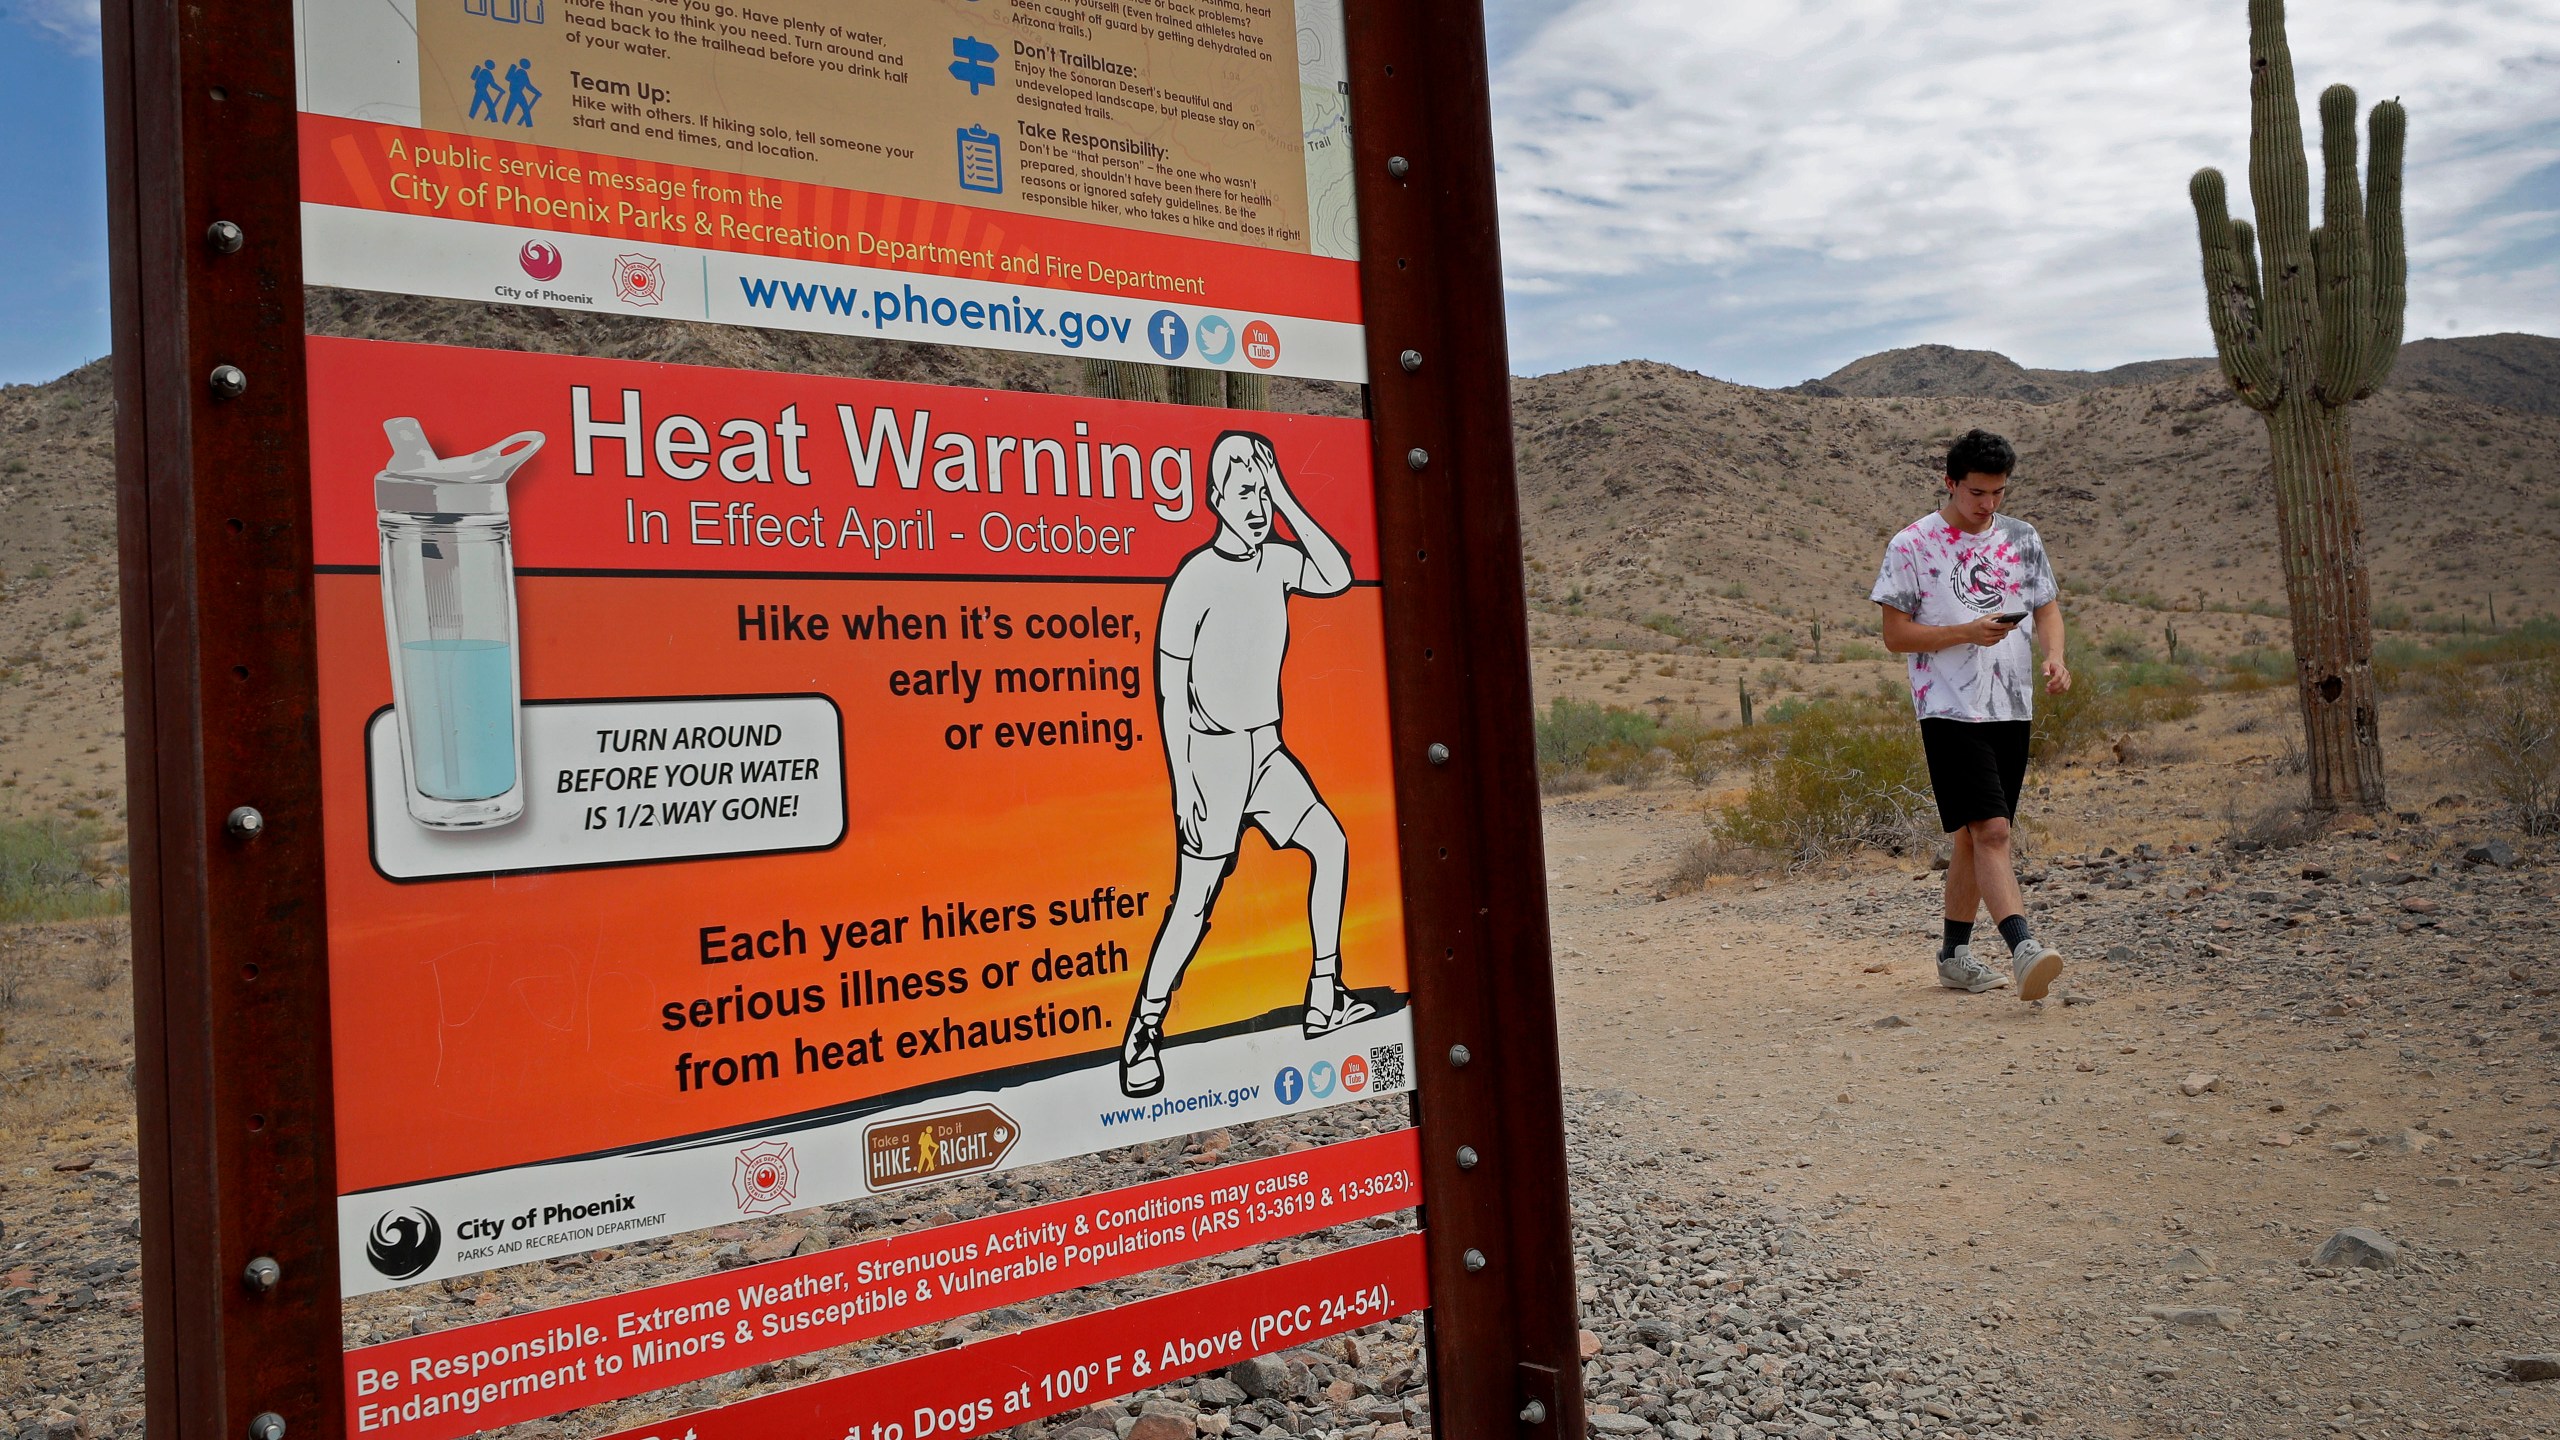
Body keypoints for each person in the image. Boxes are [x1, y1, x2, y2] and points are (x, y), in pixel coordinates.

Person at [1120, 431, 1368, 1098]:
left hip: (1267, 750)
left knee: (1330, 844)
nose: (1255, 506)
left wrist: (1286, 492)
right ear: (1214, 499)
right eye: (1244, 493)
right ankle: (1144, 1031)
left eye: (1261, 493)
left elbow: (1336, 572)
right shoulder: (1195, 580)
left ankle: (1324, 994)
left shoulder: (1277, 564)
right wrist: (1184, 787)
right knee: (1194, 904)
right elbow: (1171, 693)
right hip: (1214, 758)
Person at [1870, 429, 2070, 1000]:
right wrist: (1964, 633)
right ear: (1950, 482)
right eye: (1977, 492)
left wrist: (2054, 656)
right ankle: (2024, 948)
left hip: (2011, 703)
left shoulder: (2023, 538)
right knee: (1995, 830)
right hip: (1948, 707)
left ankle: (1954, 954)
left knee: (1970, 836)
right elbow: (1894, 636)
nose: (1988, 504)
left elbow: (2047, 607)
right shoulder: (1911, 544)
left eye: (1999, 492)